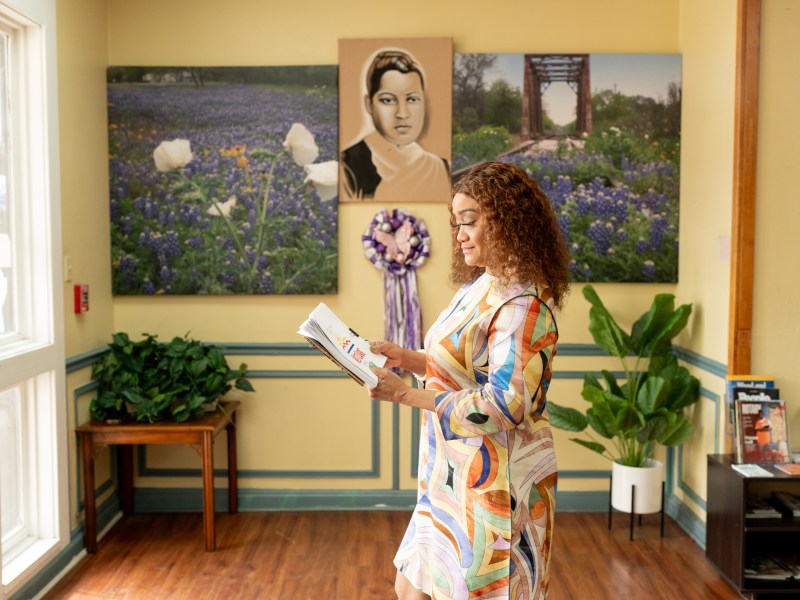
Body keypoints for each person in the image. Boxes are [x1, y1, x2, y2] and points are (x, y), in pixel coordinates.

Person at [367, 161, 572, 599]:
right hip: (450, 474)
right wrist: (407, 358)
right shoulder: (482, 287)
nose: (458, 234)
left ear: (506, 222)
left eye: (469, 221)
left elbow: (503, 404)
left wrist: (405, 394)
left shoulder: (524, 309)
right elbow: (460, 366)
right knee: (412, 586)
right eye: (456, 222)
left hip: (496, 489)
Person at [340, 49, 451, 202]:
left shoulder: (440, 167)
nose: (403, 114)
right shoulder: (348, 166)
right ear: (369, 105)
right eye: (388, 100)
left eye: (412, 99)